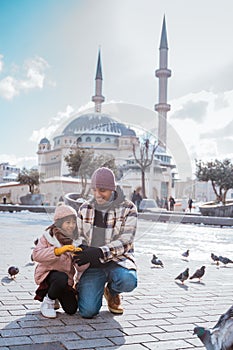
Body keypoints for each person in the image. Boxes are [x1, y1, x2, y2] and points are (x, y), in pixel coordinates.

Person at [73, 167, 138, 319]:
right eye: (94, 190)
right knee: (87, 312)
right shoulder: (85, 208)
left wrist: (100, 251)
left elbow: (126, 241)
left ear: (112, 189)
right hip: (93, 265)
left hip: (118, 261)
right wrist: (81, 248)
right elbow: (77, 236)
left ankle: (113, 292)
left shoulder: (128, 208)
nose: (97, 194)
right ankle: (87, 288)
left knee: (128, 280)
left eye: (102, 190)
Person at [32, 204, 88, 318]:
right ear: (59, 222)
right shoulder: (48, 237)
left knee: (71, 309)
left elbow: (81, 268)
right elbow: (36, 255)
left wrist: (80, 257)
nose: (71, 226)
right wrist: (58, 251)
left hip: (66, 280)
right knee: (60, 277)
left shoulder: (76, 240)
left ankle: (56, 294)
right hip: (48, 274)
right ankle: (48, 302)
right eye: (68, 222)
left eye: (73, 222)